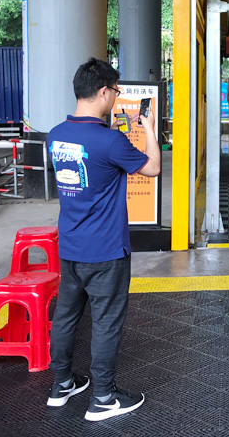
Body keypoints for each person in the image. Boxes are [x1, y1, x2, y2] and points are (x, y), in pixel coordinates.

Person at [45, 58, 161, 421]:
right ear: (102, 92)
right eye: (115, 91)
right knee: (106, 322)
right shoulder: (110, 141)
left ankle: (62, 384)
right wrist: (151, 130)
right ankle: (104, 398)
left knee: (66, 317)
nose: (116, 97)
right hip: (106, 251)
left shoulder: (55, 135)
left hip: (71, 246)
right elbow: (153, 168)